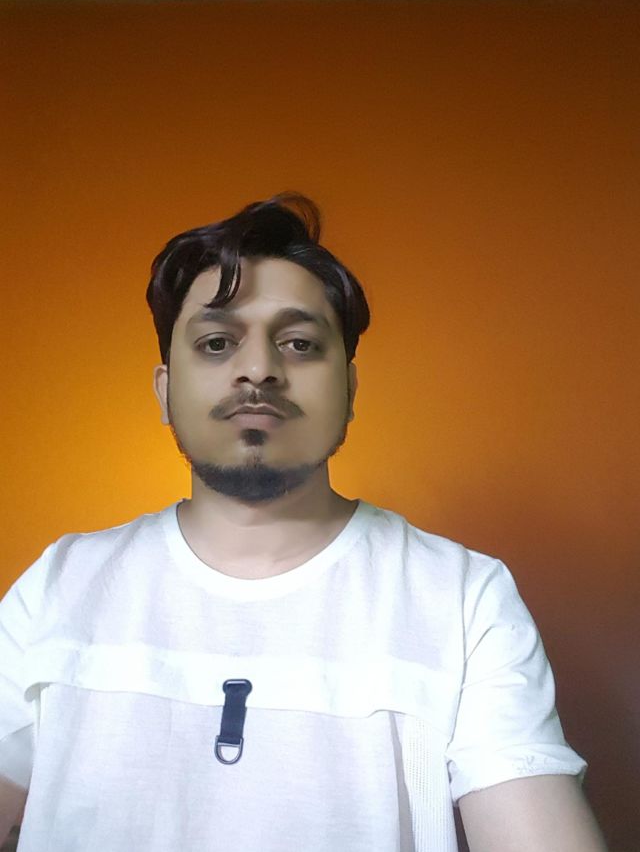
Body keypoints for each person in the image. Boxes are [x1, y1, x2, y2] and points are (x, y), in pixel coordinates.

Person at [0, 194, 607, 851]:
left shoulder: (463, 597)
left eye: (299, 343)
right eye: (216, 343)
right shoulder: (61, 582)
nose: (258, 369)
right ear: (165, 391)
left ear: (350, 389)